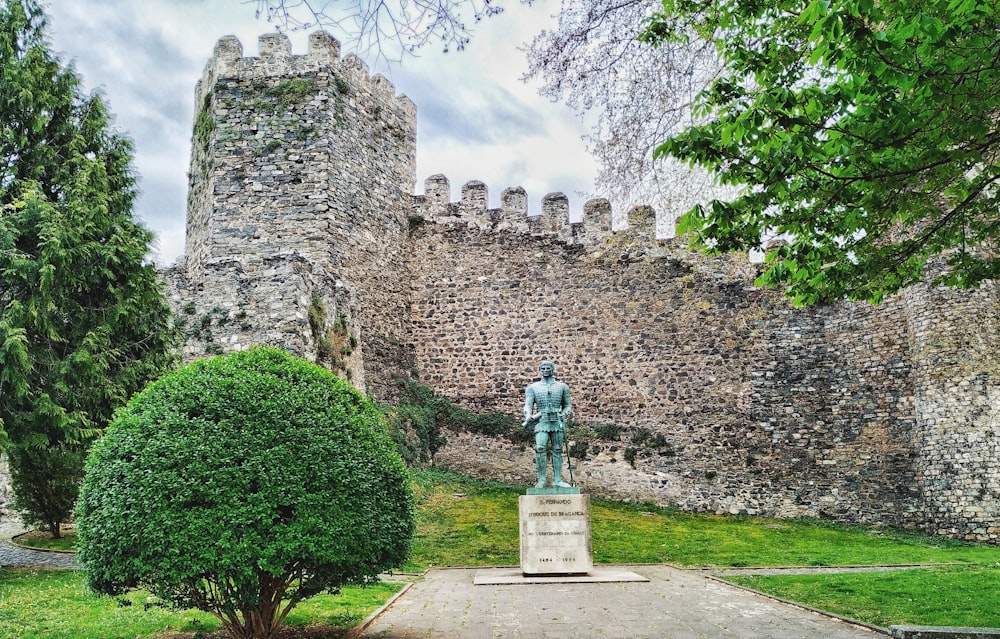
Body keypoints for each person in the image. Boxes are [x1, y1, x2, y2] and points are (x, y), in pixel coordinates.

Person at [523, 361, 572, 489]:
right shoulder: (533, 387)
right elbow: (528, 405)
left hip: (556, 420)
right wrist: (528, 415)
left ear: (552, 370)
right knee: (540, 447)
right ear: (540, 370)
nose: (545, 370)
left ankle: (557, 480)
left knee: (557, 449)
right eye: (543, 368)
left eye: (548, 368)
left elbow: (567, 405)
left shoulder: (562, 387)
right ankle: (541, 480)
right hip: (541, 420)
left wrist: (565, 413)